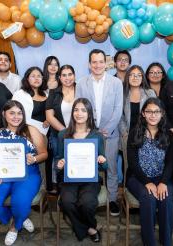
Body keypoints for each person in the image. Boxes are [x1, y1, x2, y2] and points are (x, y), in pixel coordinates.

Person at [0, 100, 48, 246]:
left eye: (19, 113)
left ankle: (14, 227)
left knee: (20, 201)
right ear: (4, 114)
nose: (16, 117)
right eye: (12, 113)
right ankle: (18, 218)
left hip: (28, 174)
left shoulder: (31, 130)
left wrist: (34, 158)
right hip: (4, 174)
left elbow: (44, 154)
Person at [76, 49, 123, 216]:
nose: (97, 65)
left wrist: (107, 129)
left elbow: (118, 109)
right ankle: (90, 199)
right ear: (89, 64)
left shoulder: (116, 83)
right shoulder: (81, 83)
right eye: (94, 62)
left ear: (106, 64)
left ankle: (112, 199)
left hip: (110, 134)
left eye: (100, 61)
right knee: (89, 166)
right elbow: (79, 108)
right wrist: (89, 130)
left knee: (110, 167)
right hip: (87, 134)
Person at [126, 97, 173, 246]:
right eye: (149, 111)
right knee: (148, 198)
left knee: (166, 198)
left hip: (162, 177)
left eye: (157, 112)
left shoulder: (168, 134)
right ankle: (149, 242)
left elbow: (171, 162)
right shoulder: (134, 132)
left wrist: (163, 183)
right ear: (143, 113)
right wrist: (147, 182)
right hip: (138, 178)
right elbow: (133, 162)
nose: (153, 115)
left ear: (162, 114)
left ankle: (166, 241)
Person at [56, 98, 107, 242]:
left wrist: (102, 160)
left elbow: (104, 166)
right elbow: (58, 159)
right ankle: (91, 228)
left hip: (90, 179)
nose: (79, 113)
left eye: (84, 110)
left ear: (89, 114)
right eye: (76, 110)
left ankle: (80, 227)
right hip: (69, 179)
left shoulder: (96, 135)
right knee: (66, 202)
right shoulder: (63, 134)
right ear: (72, 113)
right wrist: (59, 164)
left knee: (86, 203)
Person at [46, 65, 76, 193]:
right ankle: (61, 192)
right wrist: (65, 131)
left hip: (80, 134)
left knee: (77, 161)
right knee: (60, 163)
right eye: (64, 75)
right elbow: (49, 116)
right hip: (58, 134)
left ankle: (76, 190)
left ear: (74, 76)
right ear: (59, 77)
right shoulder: (53, 92)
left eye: (70, 74)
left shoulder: (82, 89)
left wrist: (75, 132)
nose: (67, 78)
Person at [119, 65, 156, 139]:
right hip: (127, 136)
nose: (135, 78)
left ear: (142, 78)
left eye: (139, 75)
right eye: (132, 75)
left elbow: (155, 114)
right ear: (127, 77)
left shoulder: (150, 93)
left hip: (146, 135)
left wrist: (149, 131)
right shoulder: (122, 94)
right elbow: (119, 116)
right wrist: (124, 132)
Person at [12, 67, 49, 135]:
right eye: (33, 76)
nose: (36, 78)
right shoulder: (19, 94)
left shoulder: (46, 94)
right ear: (27, 79)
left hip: (45, 132)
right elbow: (13, 114)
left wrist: (49, 120)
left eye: (39, 76)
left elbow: (52, 113)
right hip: (25, 132)